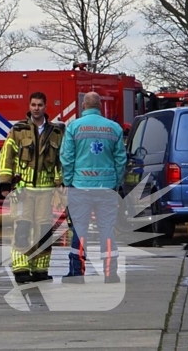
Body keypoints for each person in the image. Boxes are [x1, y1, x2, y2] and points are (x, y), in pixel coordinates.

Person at [0, 91, 65, 285]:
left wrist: (61, 184)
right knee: (22, 229)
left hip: (46, 191)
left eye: (40, 105)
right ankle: (21, 269)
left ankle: (40, 270)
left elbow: (62, 160)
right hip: (23, 189)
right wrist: (5, 183)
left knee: (44, 232)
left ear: (46, 107)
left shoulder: (57, 133)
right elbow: (6, 156)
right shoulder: (18, 130)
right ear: (29, 106)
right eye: (33, 105)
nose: (36, 108)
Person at [60, 92, 127, 284]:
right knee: (107, 230)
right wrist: (115, 181)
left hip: (80, 187)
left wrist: (68, 182)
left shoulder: (74, 127)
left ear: (83, 106)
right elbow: (121, 159)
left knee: (79, 230)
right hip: (107, 187)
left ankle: (77, 273)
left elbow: (66, 158)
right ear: (100, 106)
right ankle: (110, 273)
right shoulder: (114, 128)